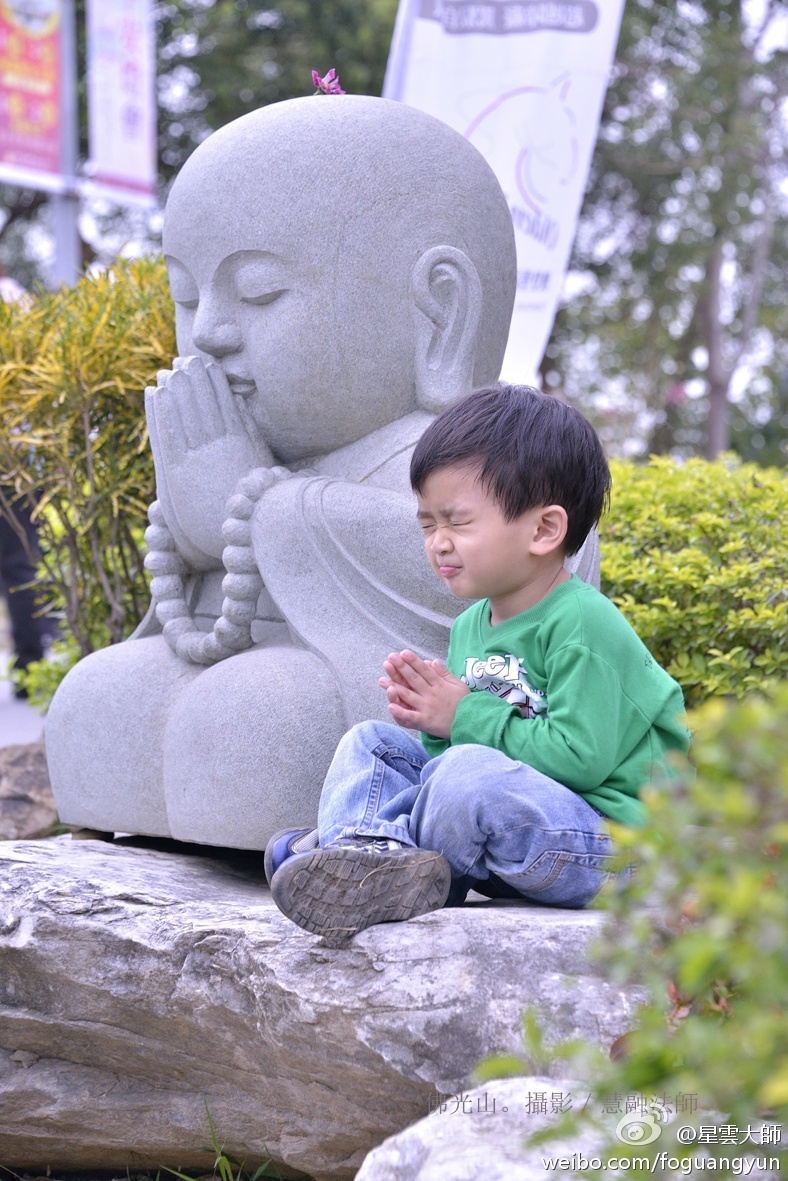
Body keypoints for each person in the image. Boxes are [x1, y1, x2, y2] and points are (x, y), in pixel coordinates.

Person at [265, 385, 690, 946]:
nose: (438, 543)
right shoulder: (472, 626)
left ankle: (366, 851)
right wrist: (433, 720)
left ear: (543, 530)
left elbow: (579, 760)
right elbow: (466, 753)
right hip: (517, 819)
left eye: (457, 522)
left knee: (466, 776)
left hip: (615, 842)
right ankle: (369, 854)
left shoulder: (583, 624)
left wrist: (461, 716)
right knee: (372, 742)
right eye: (426, 525)